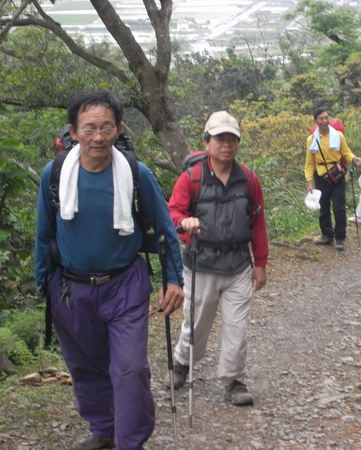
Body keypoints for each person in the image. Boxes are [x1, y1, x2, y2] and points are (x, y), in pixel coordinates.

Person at [34, 90, 184, 450]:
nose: (97, 137)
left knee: (129, 369)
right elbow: (43, 234)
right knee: (85, 366)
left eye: (106, 127)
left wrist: (174, 279)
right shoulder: (55, 175)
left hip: (125, 284)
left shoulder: (136, 174)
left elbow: (165, 231)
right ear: (73, 131)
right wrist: (45, 284)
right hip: (71, 289)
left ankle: (131, 440)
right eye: (88, 128)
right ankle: (103, 428)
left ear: (117, 129)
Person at [167, 111, 269, 407]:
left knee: (237, 327)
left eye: (231, 139)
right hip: (201, 262)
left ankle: (234, 380)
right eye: (220, 138)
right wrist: (184, 223)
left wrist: (260, 262)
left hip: (238, 264)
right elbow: (172, 213)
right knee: (197, 323)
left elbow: (258, 223)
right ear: (207, 142)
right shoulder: (191, 178)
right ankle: (182, 363)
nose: (226, 144)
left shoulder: (249, 179)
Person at [305, 107, 361, 251]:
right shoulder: (311, 140)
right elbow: (309, 162)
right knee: (323, 206)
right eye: (321, 118)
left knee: (339, 207)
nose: (325, 121)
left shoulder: (338, 135)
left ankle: (340, 237)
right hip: (320, 174)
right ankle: (327, 235)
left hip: (336, 174)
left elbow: (346, 152)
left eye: (326, 117)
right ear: (315, 121)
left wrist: (354, 158)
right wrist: (309, 181)